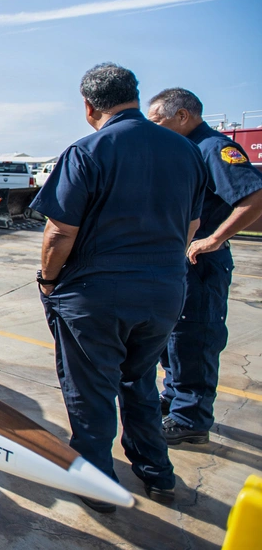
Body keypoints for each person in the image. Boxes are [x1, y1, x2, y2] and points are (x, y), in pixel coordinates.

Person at [30, 63, 207, 512]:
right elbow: (192, 225)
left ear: (89, 106)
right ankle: (157, 474)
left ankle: (98, 485)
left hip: (96, 295)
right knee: (141, 380)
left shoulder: (88, 150)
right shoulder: (186, 152)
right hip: (165, 292)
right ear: (134, 95)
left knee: (90, 393)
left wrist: (48, 281)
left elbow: (58, 232)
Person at [147, 88, 262, 446]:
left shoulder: (213, 149)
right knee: (172, 338)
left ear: (182, 116)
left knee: (195, 338)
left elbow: (254, 196)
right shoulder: (182, 149)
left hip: (201, 263)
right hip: (175, 263)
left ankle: (191, 418)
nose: (154, 129)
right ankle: (175, 400)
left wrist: (214, 238)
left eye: (158, 121)